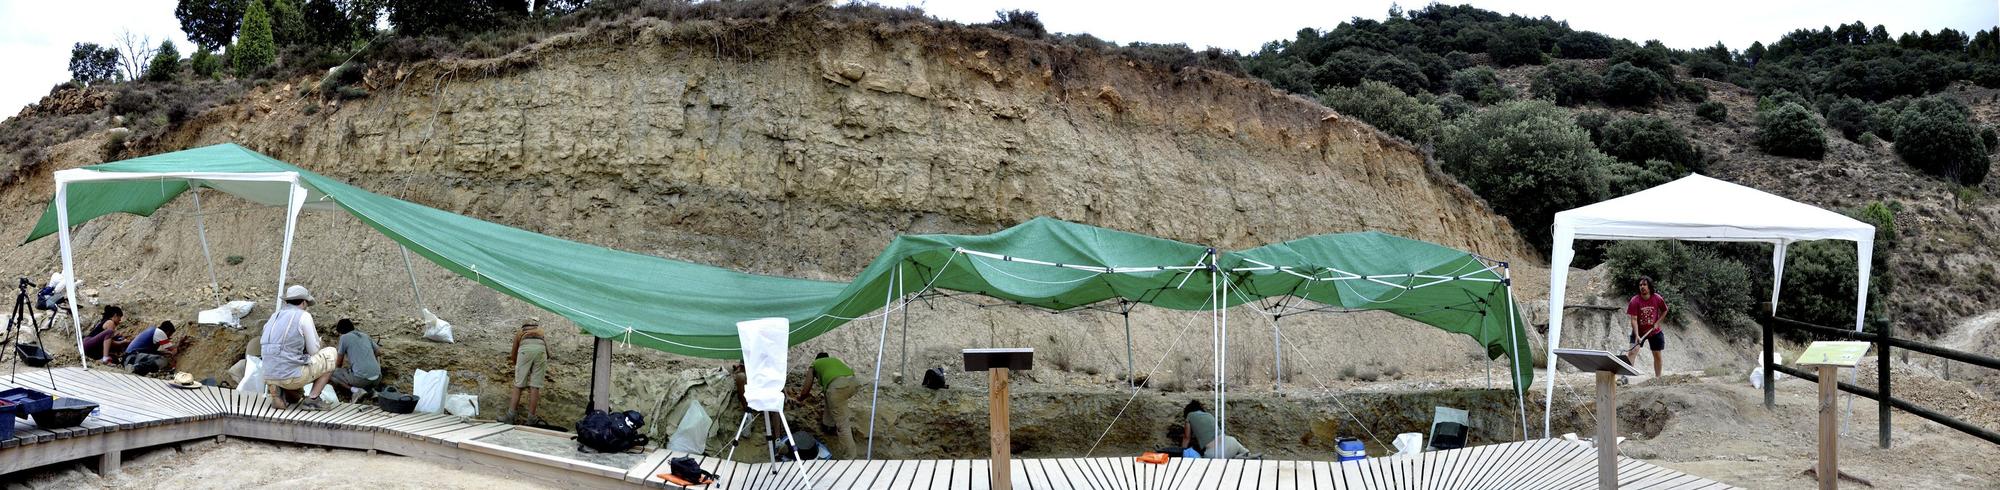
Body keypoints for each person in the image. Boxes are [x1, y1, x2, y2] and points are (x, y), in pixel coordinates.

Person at [259, 285, 337, 411]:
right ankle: (313, 399)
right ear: (304, 302)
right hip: (291, 376)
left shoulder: (274, 316)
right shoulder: (303, 316)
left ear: (287, 301)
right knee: (331, 354)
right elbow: (314, 351)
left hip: (268, 374)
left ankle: (277, 392)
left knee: (295, 398)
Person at [800, 352, 861, 457]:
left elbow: (806, 389)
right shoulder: (834, 361)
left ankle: (850, 458)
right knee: (831, 397)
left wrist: (800, 398)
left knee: (843, 425)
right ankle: (828, 425)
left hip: (838, 387)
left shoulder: (814, 364)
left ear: (816, 359)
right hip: (854, 383)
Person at [505, 319, 554, 425]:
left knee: (518, 385)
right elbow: (548, 352)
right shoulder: (541, 331)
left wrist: (517, 365)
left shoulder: (520, 332)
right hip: (541, 351)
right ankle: (531, 418)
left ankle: (510, 416)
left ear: (524, 326)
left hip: (525, 350)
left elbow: (513, 354)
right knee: (535, 386)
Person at [1626, 276, 1669, 377]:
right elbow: (1634, 319)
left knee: (1657, 355)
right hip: (1639, 331)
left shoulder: (1657, 298)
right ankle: (1625, 378)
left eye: (1644, 284)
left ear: (1649, 286)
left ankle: (1657, 379)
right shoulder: (1634, 301)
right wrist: (1637, 335)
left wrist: (1658, 322)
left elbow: (1665, 310)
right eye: (1640, 285)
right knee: (1632, 352)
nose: (1642, 287)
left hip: (1654, 331)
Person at [331, 319, 381, 403]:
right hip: (378, 377)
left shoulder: (344, 337)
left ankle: (356, 391)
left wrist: (337, 371)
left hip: (361, 380)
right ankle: (371, 392)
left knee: (331, 373)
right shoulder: (365, 335)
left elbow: (339, 363)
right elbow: (379, 352)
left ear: (341, 332)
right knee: (359, 373)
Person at [1181, 400, 1252, 459]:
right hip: (1232, 443)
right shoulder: (1209, 415)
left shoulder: (1189, 416)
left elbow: (1186, 437)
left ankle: (1236, 458)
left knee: (1204, 461)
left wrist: (1182, 452)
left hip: (1216, 453)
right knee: (1232, 443)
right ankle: (1246, 454)